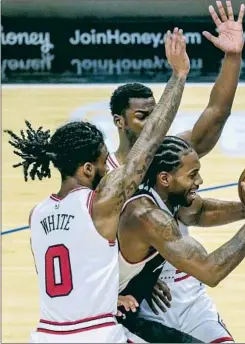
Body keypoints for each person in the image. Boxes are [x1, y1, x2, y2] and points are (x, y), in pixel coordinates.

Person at [4, 28, 190, 343]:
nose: (110, 167)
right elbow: (151, 139)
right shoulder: (98, 204)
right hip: (96, 335)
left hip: (47, 335)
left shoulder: (37, 215)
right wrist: (179, 75)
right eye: (105, 161)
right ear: (88, 168)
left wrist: (108, 297)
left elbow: (72, 278)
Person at [106, 1, 245, 342]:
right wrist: (118, 284)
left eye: (156, 113)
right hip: (136, 301)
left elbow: (215, 114)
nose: (153, 122)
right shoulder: (106, 177)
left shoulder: (167, 155)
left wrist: (232, 57)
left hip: (183, 283)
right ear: (119, 121)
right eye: (143, 117)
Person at [117, 136, 245, 343]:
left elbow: (200, 211)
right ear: (165, 178)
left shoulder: (170, 197)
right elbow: (210, 271)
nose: (200, 181)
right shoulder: (145, 215)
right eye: (192, 175)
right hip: (129, 312)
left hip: (182, 303)